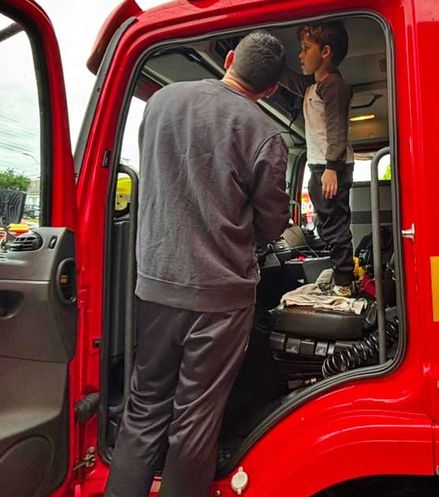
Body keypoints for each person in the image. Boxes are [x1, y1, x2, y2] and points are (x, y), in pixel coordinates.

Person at [104, 31, 290, 497]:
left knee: (144, 409)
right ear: (270, 89)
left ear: (229, 59)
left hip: (157, 283)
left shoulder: (161, 103)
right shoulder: (265, 133)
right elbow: (272, 224)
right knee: (195, 421)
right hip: (222, 298)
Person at [280, 21, 355, 297]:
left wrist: (332, 168)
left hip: (331, 166)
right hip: (320, 165)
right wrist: (273, 67)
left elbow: (337, 128)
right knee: (326, 224)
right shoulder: (315, 86)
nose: (300, 55)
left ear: (325, 52)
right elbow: (292, 81)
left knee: (334, 225)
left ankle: (344, 284)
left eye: (305, 48)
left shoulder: (334, 85)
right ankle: (340, 275)